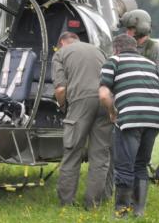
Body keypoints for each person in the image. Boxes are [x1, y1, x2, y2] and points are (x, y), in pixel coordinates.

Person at [99, 34, 159, 218]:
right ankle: (139, 210)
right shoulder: (150, 64)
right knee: (141, 165)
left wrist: (113, 112)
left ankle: (121, 211)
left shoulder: (114, 61)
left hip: (130, 118)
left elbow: (104, 95)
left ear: (116, 48)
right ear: (135, 47)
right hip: (154, 118)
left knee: (124, 166)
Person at [51, 31, 113, 209]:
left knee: (72, 152)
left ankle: (66, 204)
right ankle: (93, 205)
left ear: (62, 42)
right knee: (100, 156)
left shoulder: (60, 54)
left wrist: (64, 107)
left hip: (79, 102)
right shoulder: (99, 51)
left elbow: (61, 89)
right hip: (105, 101)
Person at [120, 9, 159, 91]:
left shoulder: (154, 48)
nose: (127, 33)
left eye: (130, 29)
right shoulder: (124, 48)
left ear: (140, 28)